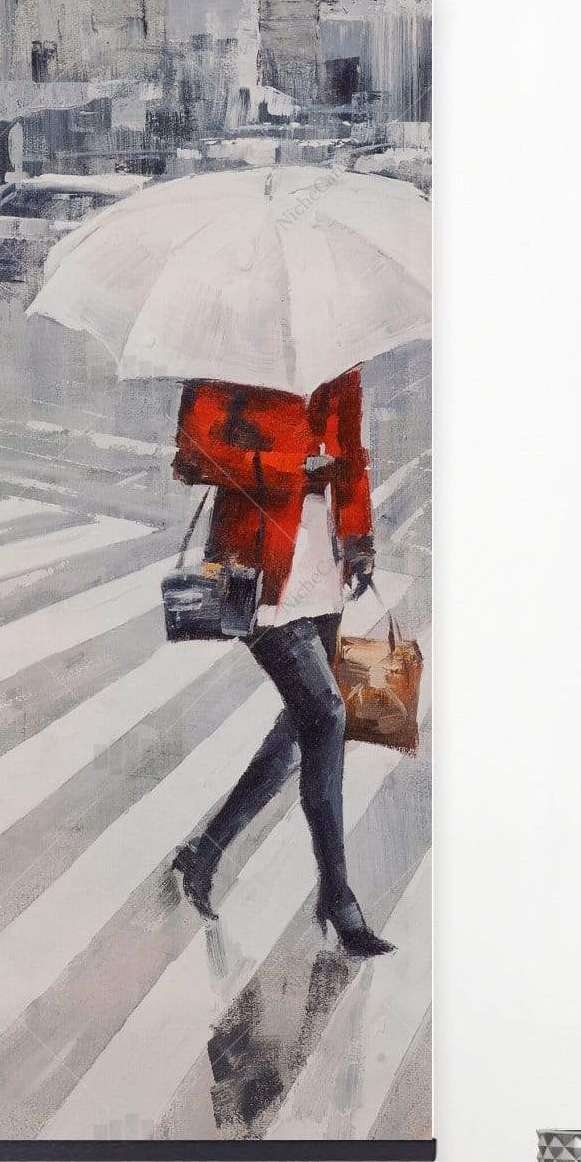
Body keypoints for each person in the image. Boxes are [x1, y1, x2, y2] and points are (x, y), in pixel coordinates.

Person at [168, 368, 393, 956]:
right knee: (326, 717)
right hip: (259, 568)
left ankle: (204, 853)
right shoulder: (233, 350)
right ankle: (338, 897)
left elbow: (353, 449)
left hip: (324, 566)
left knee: (304, 725)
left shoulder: (338, 349)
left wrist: (361, 537)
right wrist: (295, 461)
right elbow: (194, 455)